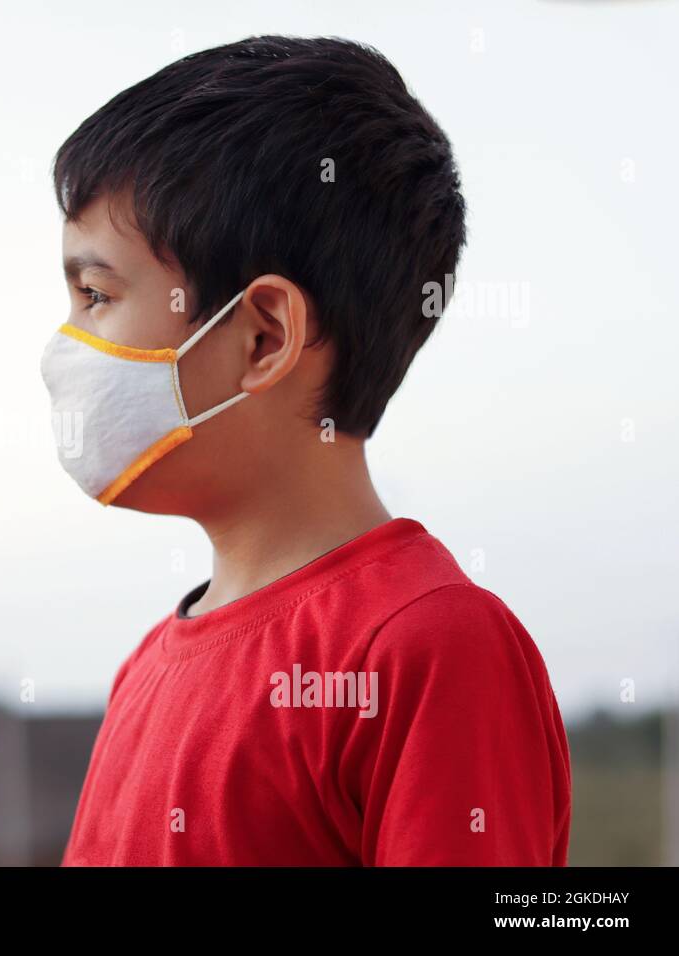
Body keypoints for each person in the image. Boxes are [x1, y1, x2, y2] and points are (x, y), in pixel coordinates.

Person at [40, 35, 571, 865]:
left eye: (96, 295)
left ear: (263, 338)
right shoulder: (144, 669)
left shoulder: (432, 649)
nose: (66, 346)